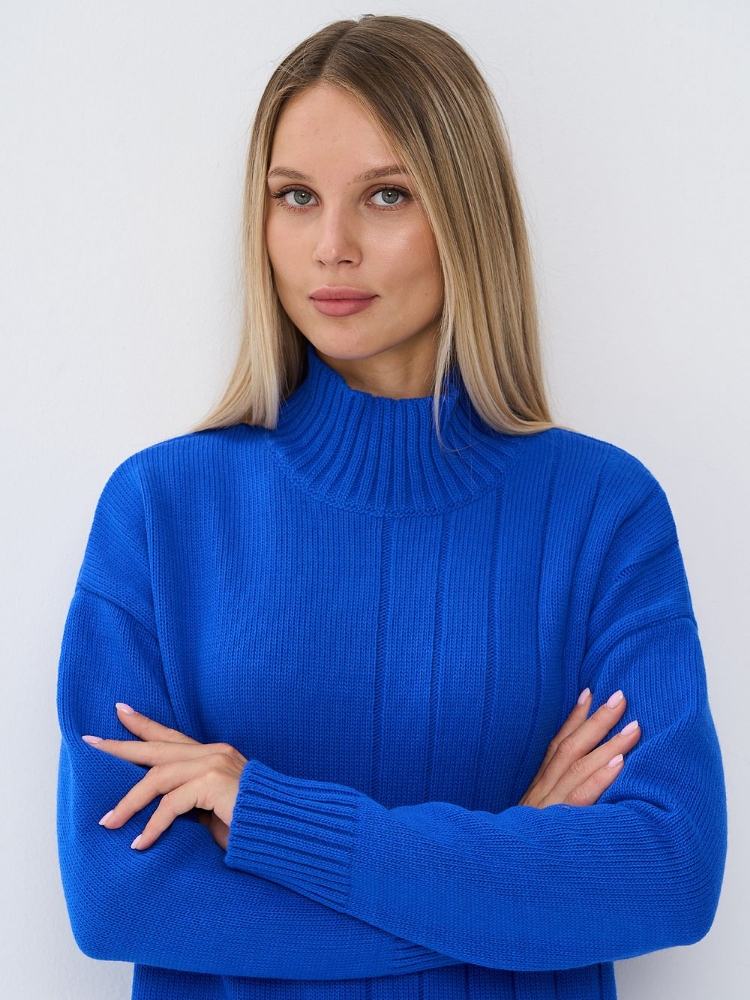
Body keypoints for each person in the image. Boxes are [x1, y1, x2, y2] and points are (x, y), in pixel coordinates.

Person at [56, 13, 727, 1000]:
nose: (331, 247)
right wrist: (514, 865)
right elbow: (124, 899)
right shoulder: (161, 512)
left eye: (386, 194)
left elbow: (669, 873)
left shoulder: (601, 513)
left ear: (464, 213)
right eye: (295, 196)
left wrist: (269, 819)